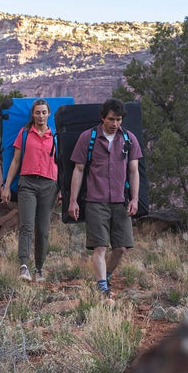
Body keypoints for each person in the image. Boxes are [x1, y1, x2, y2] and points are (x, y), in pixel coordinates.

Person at [67, 98, 142, 299]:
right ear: (102, 118)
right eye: (111, 119)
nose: (115, 124)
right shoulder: (88, 138)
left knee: (121, 248)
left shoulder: (129, 139)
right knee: (100, 246)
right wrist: (73, 200)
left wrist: (135, 199)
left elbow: (134, 171)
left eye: (118, 120)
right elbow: (79, 169)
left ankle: (106, 277)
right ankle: (102, 288)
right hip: (95, 200)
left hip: (120, 200)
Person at [1, 99, 59, 282]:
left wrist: (63, 190)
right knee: (26, 226)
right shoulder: (25, 134)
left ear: (49, 114)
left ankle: (39, 269)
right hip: (28, 184)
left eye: (43, 112)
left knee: (43, 230)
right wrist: (6, 186)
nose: (41, 116)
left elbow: (61, 164)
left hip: (49, 185)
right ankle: (24, 267)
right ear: (32, 115)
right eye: (37, 113)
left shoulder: (55, 137)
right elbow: (16, 161)